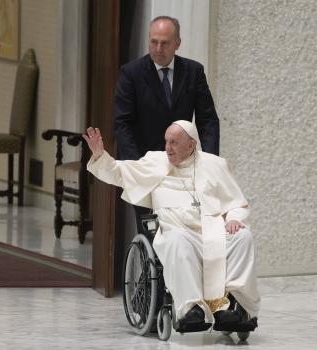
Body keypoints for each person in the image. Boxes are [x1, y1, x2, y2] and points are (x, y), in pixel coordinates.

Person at [84, 121, 259, 332]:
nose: (168, 147)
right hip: (177, 230)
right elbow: (119, 172)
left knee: (243, 237)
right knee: (178, 241)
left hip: (213, 230)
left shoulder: (215, 165)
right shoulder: (155, 162)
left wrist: (233, 218)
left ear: (191, 144)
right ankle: (191, 309)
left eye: (174, 142)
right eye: (166, 141)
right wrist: (99, 155)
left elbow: (236, 202)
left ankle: (236, 308)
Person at [114, 16, 219, 161]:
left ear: (177, 43)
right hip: (143, 161)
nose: (158, 49)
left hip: (182, 162)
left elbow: (207, 121)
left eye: (165, 43)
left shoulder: (194, 72)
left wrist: (210, 162)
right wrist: (136, 166)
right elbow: (123, 123)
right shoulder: (131, 73)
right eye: (154, 42)